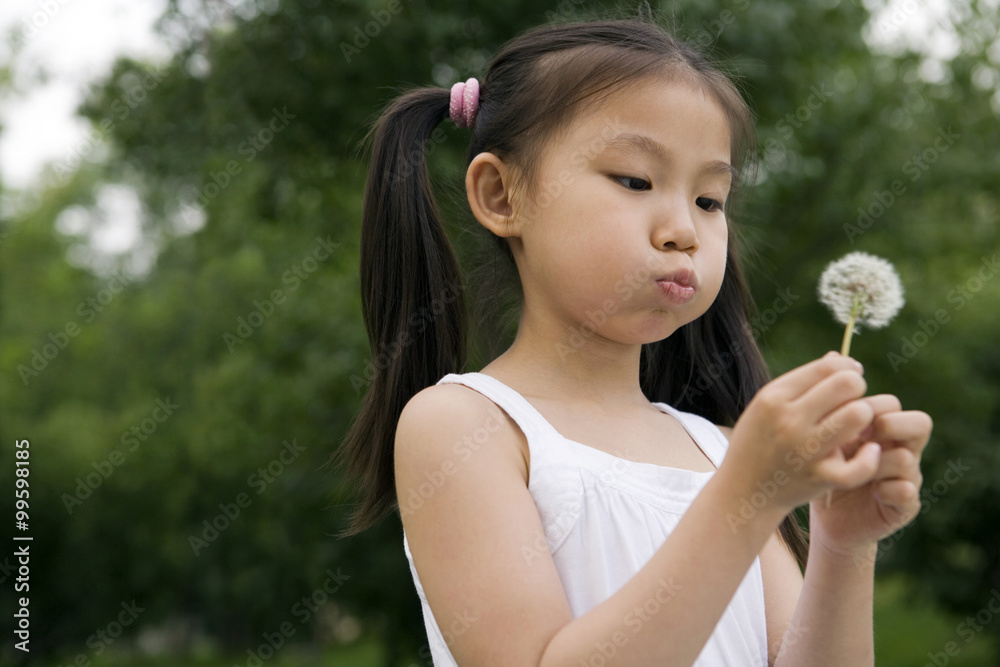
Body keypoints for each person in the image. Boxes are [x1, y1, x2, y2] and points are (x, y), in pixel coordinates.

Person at [333, 14, 933, 667]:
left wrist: (844, 544)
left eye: (709, 199)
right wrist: (744, 498)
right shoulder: (464, 426)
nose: (684, 229)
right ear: (502, 195)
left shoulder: (722, 450)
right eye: (635, 180)